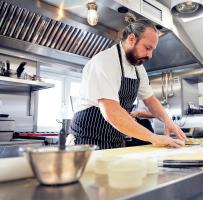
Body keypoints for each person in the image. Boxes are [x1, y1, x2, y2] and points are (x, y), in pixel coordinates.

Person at [69, 19, 186, 149]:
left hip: (116, 140)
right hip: (88, 141)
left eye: (152, 50)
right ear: (131, 39)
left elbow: (150, 100)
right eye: (147, 48)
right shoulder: (105, 61)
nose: (150, 55)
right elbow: (111, 111)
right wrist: (153, 138)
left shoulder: (138, 68)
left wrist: (167, 121)